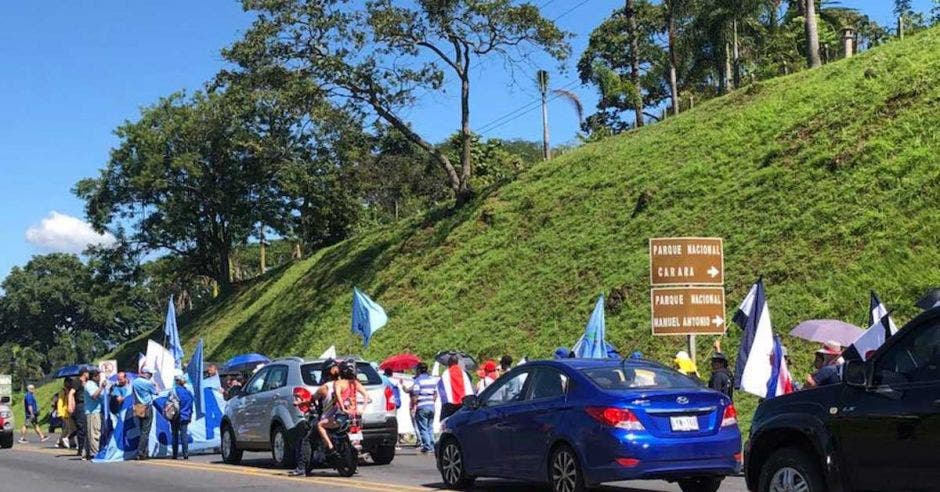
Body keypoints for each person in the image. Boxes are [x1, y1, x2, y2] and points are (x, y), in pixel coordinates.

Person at [289, 359, 341, 476]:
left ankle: (301, 468)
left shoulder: (324, 388)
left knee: (307, 439)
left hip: (328, 418)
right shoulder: (345, 384)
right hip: (344, 417)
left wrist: (299, 403)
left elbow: (311, 400)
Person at [132, 367, 159, 460]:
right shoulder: (148, 383)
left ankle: (144, 452)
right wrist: (155, 385)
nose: (151, 375)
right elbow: (156, 392)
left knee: (142, 430)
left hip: (138, 405)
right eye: (150, 374)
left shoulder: (135, 382)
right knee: (145, 431)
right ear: (146, 373)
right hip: (147, 406)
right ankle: (140, 452)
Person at [411, 362, 437, 454]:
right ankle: (433, 445)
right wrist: (431, 402)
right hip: (431, 406)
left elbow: (415, 395)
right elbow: (435, 394)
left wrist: (414, 404)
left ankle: (427, 446)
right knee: (430, 427)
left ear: (418, 370)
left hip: (422, 406)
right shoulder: (432, 380)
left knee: (423, 427)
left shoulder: (418, 381)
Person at [80, 368, 106, 460]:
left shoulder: (94, 384)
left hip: (95, 411)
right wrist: (101, 387)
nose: (100, 377)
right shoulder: (90, 385)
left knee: (90, 433)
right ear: (94, 376)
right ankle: (94, 453)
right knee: (94, 433)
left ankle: (86, 453)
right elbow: (94, 396)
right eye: (98, 376)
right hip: (92, 412)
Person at [170, 372, 194, 460]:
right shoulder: (188, 392)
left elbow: (170, 403)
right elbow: (191, 406)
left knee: (175, 435)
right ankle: (185, 454)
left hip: (176, 416)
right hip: (186, 416)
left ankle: (175, 454)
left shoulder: (174, 391)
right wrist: (190, 416)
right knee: (184, 435)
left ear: (177, 381)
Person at [69, 373, 86, 458]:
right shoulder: (77, 382)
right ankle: (81, 448)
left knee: (84, 428)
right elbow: (71, 393)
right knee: (81, 428)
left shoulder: (86, 382)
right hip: (80, 406)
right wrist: (70, 405)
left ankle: (83, 448)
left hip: (85, 405)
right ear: (84, 373)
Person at [57, 379, 74, 449]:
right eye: (69, 382)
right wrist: (60, 412)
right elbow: (60, 402)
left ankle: (60, 441)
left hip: (68, 412)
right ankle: (71, 442)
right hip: (64, 412)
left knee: (67, 428)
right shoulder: (63, 391)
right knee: (70, 428)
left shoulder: (69, 390)